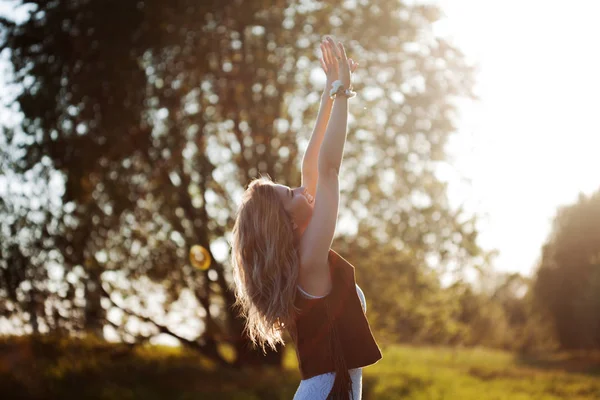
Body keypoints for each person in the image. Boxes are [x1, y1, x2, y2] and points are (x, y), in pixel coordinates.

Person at [231, 37, 381, 399]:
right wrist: (343, 92)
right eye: (291, 193)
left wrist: (329, 91)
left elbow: (311, 166)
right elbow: (327, 169)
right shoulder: (310, 260)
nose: (302, 190)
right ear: (284, 222)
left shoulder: (301, 258)